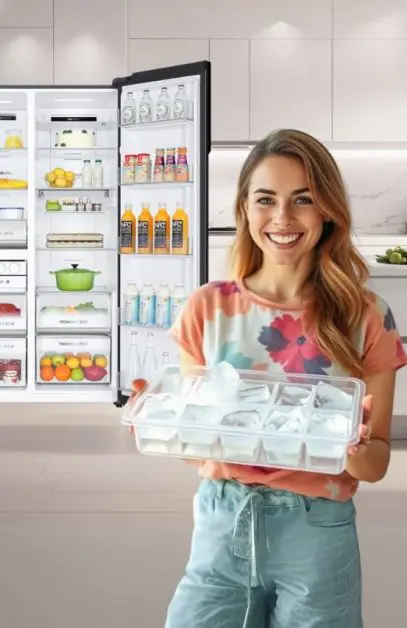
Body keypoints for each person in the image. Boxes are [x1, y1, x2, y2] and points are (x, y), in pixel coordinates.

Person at [131, 129, 407, 627]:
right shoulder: (206, 308)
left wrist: (357, 448)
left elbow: (377, 463)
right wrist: (166, 418)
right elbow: (201, 451)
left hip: (317, 533)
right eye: (266, 200)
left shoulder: (366, 316)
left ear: (328, 210)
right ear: (244, 209)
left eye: (303, 199)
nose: (282, 218)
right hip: (221, 523)